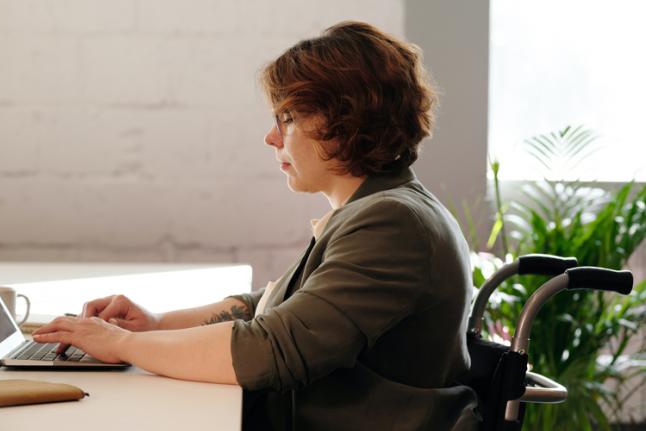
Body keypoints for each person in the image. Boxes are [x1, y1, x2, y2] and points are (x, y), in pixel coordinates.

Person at [33, 21, 478, 430]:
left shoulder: (393, 223)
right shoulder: (379, 209)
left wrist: (121, 346)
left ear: (345, 121)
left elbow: (274, 349)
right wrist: (154, 325)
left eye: (288, 118)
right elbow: (270, 305)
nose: (271, 137)